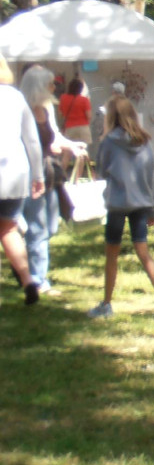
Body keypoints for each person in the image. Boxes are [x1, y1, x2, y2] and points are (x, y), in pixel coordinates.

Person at [88, 96, 154, 320]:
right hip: (140, 204)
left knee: (112, 254)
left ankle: (106, 303)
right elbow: (150, 177)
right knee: (143, 252)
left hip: (117, 203)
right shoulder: (144, 141)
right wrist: (153, 207)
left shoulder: (108, 142)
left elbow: (102, 170)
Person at [19, 64, 88, 296]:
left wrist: (71, 145)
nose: (54, 86)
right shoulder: (23, 112)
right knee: (37, 229)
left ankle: (22, 265)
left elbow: (54, 137)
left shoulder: (45, 110)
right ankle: (38, 279)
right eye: (50, 83)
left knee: (50, 226)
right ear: (39, 86)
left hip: (49, 174)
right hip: (30, 176)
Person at [0, 53, 44, 306]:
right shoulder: (16, 97)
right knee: (8, 228)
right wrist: (38, 174)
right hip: (16, 171)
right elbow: (32, 140)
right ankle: (28, 279)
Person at [58, 77, 92, 146]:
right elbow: (89, 116)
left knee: (68, 152)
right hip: (83, 127)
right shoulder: (84, 100)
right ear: (81, 89)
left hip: (69, 128)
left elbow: (60, 114)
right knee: (83, 151)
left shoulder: (63, 98)